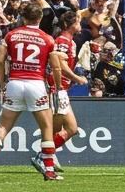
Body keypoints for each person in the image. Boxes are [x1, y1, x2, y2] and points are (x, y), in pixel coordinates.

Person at [0, 1, 63, 182]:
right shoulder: (48, 39)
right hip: (36, 84)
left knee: (3, 127)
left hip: (15, 83)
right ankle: (49, 171)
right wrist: (57, 87)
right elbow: (56, 68)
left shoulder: (11, 35)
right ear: (40, 18)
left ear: (23, 17)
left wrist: (2, 84)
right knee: (47, 128)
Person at [33, 9, 86, 177]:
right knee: (68, 128)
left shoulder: (69, 41)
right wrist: (76, 78)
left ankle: (47, 156)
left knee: (61, 129)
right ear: (68, 25)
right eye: (77, 22)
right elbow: (59, 64)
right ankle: (43, 156)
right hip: (57, 89)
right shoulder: (63, 41)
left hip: (60, 89)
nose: (80, 25)